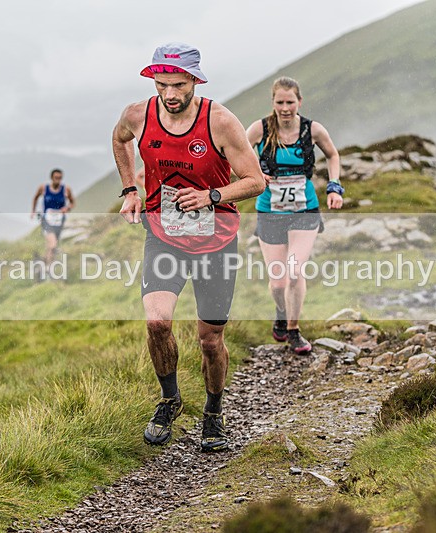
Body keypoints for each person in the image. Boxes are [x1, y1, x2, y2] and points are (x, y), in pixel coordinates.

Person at [112, 42, 266, 452]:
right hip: (164, 238)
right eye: (162, 85)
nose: (170, 95)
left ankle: (214, 412)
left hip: (216, 241)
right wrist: (130, 189)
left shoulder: (220, 121)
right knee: (157, 323)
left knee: (210, 340)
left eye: (179, 85)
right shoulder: (137, 114)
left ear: (195, 80)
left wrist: (212, 196)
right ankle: (170, 400)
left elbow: (255, 181)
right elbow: (119, 138)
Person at [245, 77, 344, 355]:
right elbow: (235, 153)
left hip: (304, 210)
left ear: (300, 101)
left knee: (294, 271)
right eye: (280, 102)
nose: (285, 108)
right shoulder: (260, 129)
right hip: (270, 211)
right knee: (277, 281)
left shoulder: (312, 129)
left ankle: (293, 329)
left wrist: (334, 187)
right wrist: (251, 173)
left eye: (290, 102)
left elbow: (333, 155)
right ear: (273, 103)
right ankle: (280, 310)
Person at [30, 168, 75, 267]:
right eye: (56, 178)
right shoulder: (43, 188)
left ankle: (44, 263)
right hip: (46, 220)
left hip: (59, 221)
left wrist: (67, 208)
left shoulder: (66, 189)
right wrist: (33, 211)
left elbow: (72, 203)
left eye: (60, 178)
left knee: (52, 247)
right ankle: (48, 268)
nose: (58, 180)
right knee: (53, 244)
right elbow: (36, 197)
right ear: (51, 178)